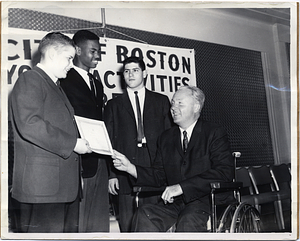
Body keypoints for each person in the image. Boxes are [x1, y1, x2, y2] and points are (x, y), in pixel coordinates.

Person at [112, 86, 234, 232]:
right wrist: (130, 168)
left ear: (196, 107)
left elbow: (224, 172)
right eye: (172, 104)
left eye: (179, 103)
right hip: (176, 203)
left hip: (207, 201)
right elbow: (159, 175)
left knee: (188, 221)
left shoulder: (214, 133)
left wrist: (182, 187)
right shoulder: (166, 138)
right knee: (144, 215)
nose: (173, 108)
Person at [9, 32, 92, 233]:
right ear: (53, 54)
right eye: (69, 58)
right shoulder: (31, 79)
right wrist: (73, 144)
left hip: (61, 188)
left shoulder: (55, 85)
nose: (71, 65)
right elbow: (30, 124)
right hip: (43, 189)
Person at [104, 56, 172, 232]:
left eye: (135, 70)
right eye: (126, 71)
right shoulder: (113, 105)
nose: (130, 74)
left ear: (144, 73)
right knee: (127, 222)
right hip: (124, 168)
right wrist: (111, 174)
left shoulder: (161, 101)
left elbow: (169, 141)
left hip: (154, 168)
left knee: (153, 221)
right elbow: (109, 141)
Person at [60, 30, 109, 232]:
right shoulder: (63, 79)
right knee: (77, 222)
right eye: (93, 51)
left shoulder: (97, 83)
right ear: (77, 50)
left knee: (98, 221)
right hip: (78, 160)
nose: (97, 56)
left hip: (99, 160)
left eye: (99, 51)